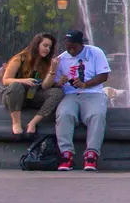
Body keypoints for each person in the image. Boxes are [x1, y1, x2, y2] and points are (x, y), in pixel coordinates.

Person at [45, 30, 111, 172]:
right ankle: (66, 154)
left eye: (73, 46)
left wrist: (85, 84)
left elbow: (104, 76)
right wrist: (59, 82)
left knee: (97, 115)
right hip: (71, 95)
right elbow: (52, 83)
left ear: (82, 44)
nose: (70, 50)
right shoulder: (61, 59)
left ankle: (91, 154)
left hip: (94, 93)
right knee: (64, 114)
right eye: (67, 46)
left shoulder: (95, 52)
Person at [0, 32, 63, 135]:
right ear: (36, 45)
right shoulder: (20, 59)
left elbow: (45, 86)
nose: (47, 49)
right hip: (13, 95)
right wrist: (23, 81)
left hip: (34, 96)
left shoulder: (47, 62)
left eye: (50, 47)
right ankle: (16, 123)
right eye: (45, 45)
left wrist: (52, 71)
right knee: (16, 86)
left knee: (57, 92)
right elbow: (5, 80)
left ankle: (33, 122)